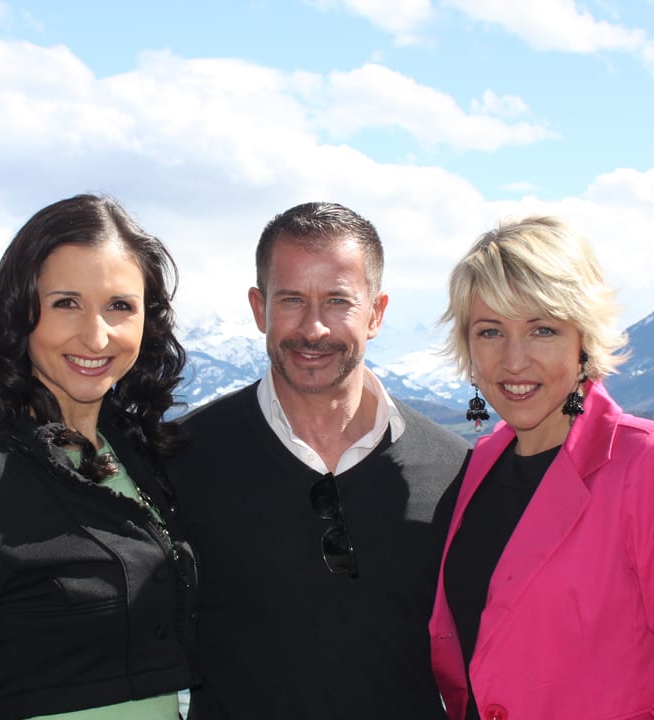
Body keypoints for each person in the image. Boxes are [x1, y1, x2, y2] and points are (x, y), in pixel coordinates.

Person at [429, 216, 654, 720]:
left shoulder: (650, 463)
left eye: (542, 329)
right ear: (469, 348)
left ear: (582, 338)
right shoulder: (478, 465)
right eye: (491, 331)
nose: (513, 360)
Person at [0, 194, 200, 720]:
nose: (96, 336)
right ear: (20, 311)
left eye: (120, 306)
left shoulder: (137, 454)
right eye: (65, 303)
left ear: (147, 320)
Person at [168, 201, 470, 720]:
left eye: (337, 301)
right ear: (259, 306)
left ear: (375, 313)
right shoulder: (181, 458)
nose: (313, 328)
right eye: (291, 300)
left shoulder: (455, 470)